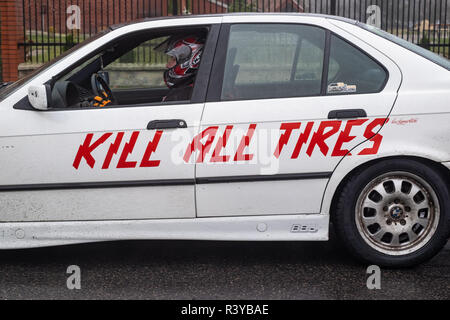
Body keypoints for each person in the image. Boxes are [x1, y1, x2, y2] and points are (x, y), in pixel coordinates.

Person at [157, 35, 204, 102]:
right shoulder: (198, 90)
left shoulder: (179, 97)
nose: (167, 65)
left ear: (193, 60)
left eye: (173, 59)